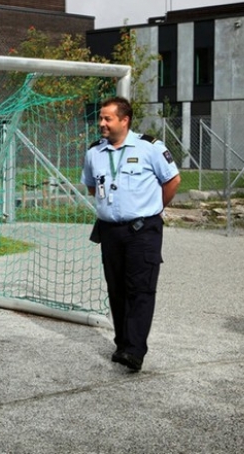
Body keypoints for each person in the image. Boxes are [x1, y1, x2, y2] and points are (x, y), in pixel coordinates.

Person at [81, 96, 181, 372]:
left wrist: (153, 209)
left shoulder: (150, 148)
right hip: (110, 231)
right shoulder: (94, 152)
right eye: (100, 118)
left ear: (124, 120)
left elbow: (173, 181)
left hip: (143, 231)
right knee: (117, 289)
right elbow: (92, 187)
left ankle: (135, 351)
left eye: (107, 118)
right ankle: (122, 343)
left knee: (140, 289)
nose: (101, 123)